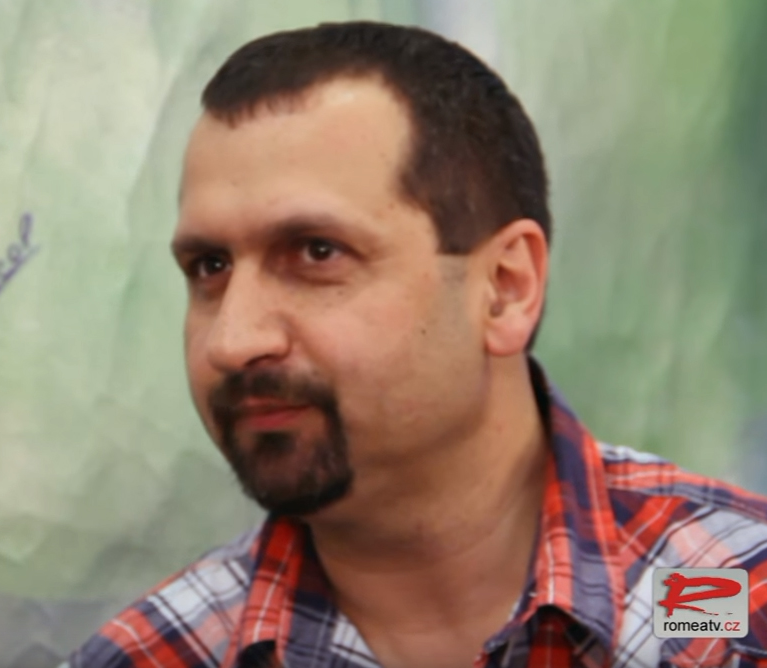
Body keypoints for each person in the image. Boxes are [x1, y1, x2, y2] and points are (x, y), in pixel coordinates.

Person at [65, 21, 767, 668]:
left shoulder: (729, 602)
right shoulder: (159, 656)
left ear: (505, 287)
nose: (232, 340)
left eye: (316, 252)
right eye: (209, 268)